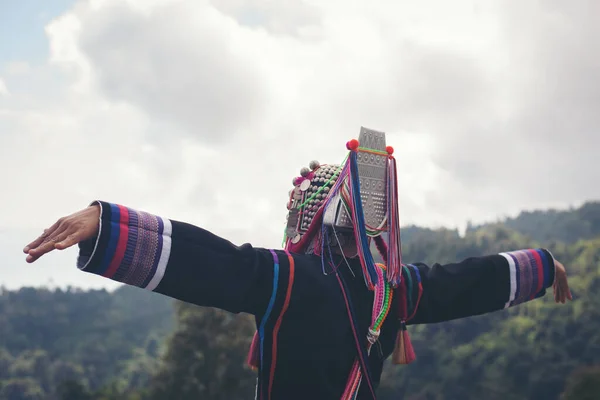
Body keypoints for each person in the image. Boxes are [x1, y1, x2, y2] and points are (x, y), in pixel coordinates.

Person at [23, 127, 572, 400]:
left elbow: (207, 263)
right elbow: (468, 282)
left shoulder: (286, 279)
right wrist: (543, 265)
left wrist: (108, 223)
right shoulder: (393, 290)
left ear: (302, 229)